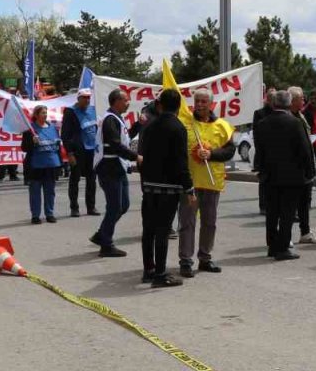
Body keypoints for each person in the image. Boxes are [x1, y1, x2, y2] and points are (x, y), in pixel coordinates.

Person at [177, 88, 235, 277]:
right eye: (197, 101)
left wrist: (211, 154)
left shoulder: (223, 126)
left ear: (211, 104)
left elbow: (229, 151)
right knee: (187, 223)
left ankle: (205, 257)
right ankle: (186, 261)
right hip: (190, 183)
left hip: (212, 182)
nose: (200, 105)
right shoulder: (185, 124)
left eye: (203, 101)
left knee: (209, 222)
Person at [137, 88, 193, 288]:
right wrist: (189, 188)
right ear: (179, 106)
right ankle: (160, 274)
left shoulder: (149, 126)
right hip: (169, 188)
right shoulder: (178, 127)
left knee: (148, 230)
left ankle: (148, 270)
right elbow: (181, 162)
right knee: (162, 231)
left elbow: (141, 156)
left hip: (149, 186)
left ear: (159, 105)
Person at [254, 89, 315, 260]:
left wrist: (260, 170)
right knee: (287, 213)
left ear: (273, 103)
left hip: (269, 175)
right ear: (289, 104)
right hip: (292, 176)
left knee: (272, 213)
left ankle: (272, 246)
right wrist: (310, 171)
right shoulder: (295, 123)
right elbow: (305, 150)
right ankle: (282, 248)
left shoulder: (263, 123)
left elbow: (259, 149)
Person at [92, 89, 140, 257]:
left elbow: (125, 139)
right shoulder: (109, 120)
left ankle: (102, 234)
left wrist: (138, 125)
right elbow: (115, 145)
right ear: (116, 101)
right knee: (114, 206)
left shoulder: (117, 119)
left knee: (123, 205)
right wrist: (136, 157)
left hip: (118, 167)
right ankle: (106, 245)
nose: (128, 103)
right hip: (109, 167)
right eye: (126, 100)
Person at [287, 87, 316, 245]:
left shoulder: (300, 115)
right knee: (290, 204)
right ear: (293, 100)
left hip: (306, 166)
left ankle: (305, 232)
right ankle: (286, 236)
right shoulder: (287, 117)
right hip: (293, 167)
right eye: (301, 98)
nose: (304, 101)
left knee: (305, 202)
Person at [61, 88, 100, 217]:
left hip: (92, 150)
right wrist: (70, 153)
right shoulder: (70, 112)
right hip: (78, 151)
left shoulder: (93, 110)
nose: (87, 100)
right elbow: (65, 135)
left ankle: (91, 207)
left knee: (92, 179)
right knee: (75, 179)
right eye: (84, 97)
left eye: (88, 97)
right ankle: (74, 208)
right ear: (78, 98)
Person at [21, 104, 62, 225]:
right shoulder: (30, 130)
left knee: (50, 191)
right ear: (36, 115)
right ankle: (35, 215)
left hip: (51, 165)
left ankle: (49, 214)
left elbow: (57, 146)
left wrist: (60, 163)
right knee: (35, 192)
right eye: (42, 113)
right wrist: (32, 142)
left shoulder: (53, 128)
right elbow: (24, 148)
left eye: (46, 112)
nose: (45, 115)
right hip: (36, 166)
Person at [251, 86, 277, 215]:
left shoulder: (279, 112)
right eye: (272, 99)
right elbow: (256, 134)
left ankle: (273, 204)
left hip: (276, 151)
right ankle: (263, 206)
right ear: (268, 100)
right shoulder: (259, 113)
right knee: (264, 181)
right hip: (263, 152)